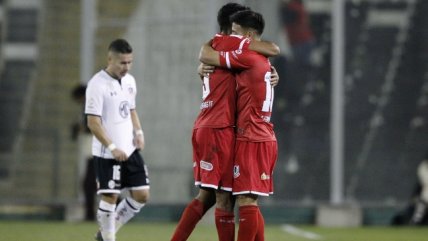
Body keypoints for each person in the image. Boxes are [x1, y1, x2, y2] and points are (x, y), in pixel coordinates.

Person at [170, 3, 279, 241]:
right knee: (231, 197)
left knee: (221, 196)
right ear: (233, 28)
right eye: (236, 27)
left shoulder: (225, 52)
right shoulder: (235, 49)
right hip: (222, 130)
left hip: (217, 128)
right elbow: (272, 48)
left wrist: (267, 72)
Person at [85, 39, 150, 241]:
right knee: (110, 196)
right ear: (110, 59)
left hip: (130, 150)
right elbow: (93, 123)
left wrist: (139, 133)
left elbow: (131, 110)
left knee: (142, 195)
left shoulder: (130, 81)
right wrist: (112, 147)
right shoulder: (97, 84)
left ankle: (107, 233)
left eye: (129, 62)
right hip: (108, 153)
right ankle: (108, 237)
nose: (126, 67)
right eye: (122, 63)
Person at [71, 84, 97, 221]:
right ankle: (90, 214)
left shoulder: (92, 106)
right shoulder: (86, 108)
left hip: (97, 152)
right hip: (93, 152)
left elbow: (95, 125)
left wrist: (82, 128)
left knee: (90, 184)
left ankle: (90, 214)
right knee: (98, 184)